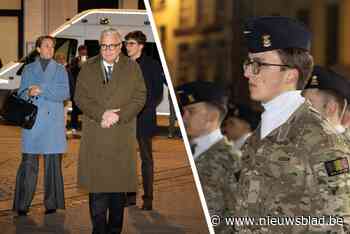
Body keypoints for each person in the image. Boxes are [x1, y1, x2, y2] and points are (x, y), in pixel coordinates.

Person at [235, 16, 350, 233]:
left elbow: (338, 226)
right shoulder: (258, 135)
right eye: (249, 63)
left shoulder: (323, 141)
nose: (247, 73)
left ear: (290, 75)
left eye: (258, 65)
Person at [74, 28, 146, 234]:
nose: (107, 50)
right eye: (104, 46)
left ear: (120, 45)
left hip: (120, 136)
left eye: (112, 46)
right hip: (96, 136)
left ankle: (114, 230)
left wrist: (119, 115)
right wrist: (101, 113)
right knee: (97, 194)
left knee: (117, 195)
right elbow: (80, 97)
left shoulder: (132, 68)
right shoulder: (88, 67)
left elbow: (140, 97)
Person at [13, 35, 70, 216]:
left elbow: (65, 93)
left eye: (52, 47)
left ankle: (51, 203)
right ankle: (22, 204)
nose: (50, 49)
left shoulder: (61, 70)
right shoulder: (28, 69)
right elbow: (21, 93)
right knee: (28, 164)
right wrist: (29, 91)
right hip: (33, 122)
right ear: (38, 49)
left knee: (53, 165)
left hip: (53, 124)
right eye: (46, 46)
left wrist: (43, 89)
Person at [176, 80, 241, 233]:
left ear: (211, 117)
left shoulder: (232, 161)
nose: (183, 118)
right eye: (183, 111)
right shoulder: (187, 149)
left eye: (190, 112)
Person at [124, 30, 164, 210]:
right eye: (126, 43)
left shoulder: (152, 65)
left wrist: (140, 108)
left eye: (131, 43)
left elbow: (157, 94)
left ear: (141, 46)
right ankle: (130, 196)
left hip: (143, 118)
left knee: (146, 159)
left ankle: (148, 199)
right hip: (125, 119)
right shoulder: (122, 64)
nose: (127, 47)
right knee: (127, 159)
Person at [67, 45, 88, 135]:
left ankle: (86, 127)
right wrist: (77, 66)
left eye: (84, 52)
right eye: (81, 52)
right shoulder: (74, 61)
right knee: (75, 109)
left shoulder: (91, 61)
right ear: (79, 52)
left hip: (87, 90)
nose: (83, 54)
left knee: (87, 109)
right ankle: (74, 126)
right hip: (76, 88)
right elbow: (70, 71)